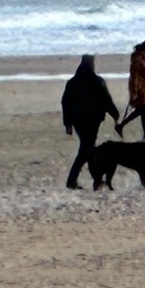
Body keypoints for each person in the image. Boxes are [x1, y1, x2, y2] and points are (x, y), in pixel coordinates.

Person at [60, 54, 119, 190]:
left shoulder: (72, 82)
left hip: (78, 121)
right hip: (93, 120)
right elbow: (106, 100)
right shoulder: (97, 81)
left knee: (88, 149)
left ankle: (95, 180)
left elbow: (65, 103)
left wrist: (67, 123)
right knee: (87, 150)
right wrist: (115, 113)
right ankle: (74, 180)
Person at [114, 39, 145, 140]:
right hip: (140, 89)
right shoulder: (137, 61)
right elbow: (134, 77)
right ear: (144, 51)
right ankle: (121, 125)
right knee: (142, 109)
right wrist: (134, 92)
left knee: (144, 110)